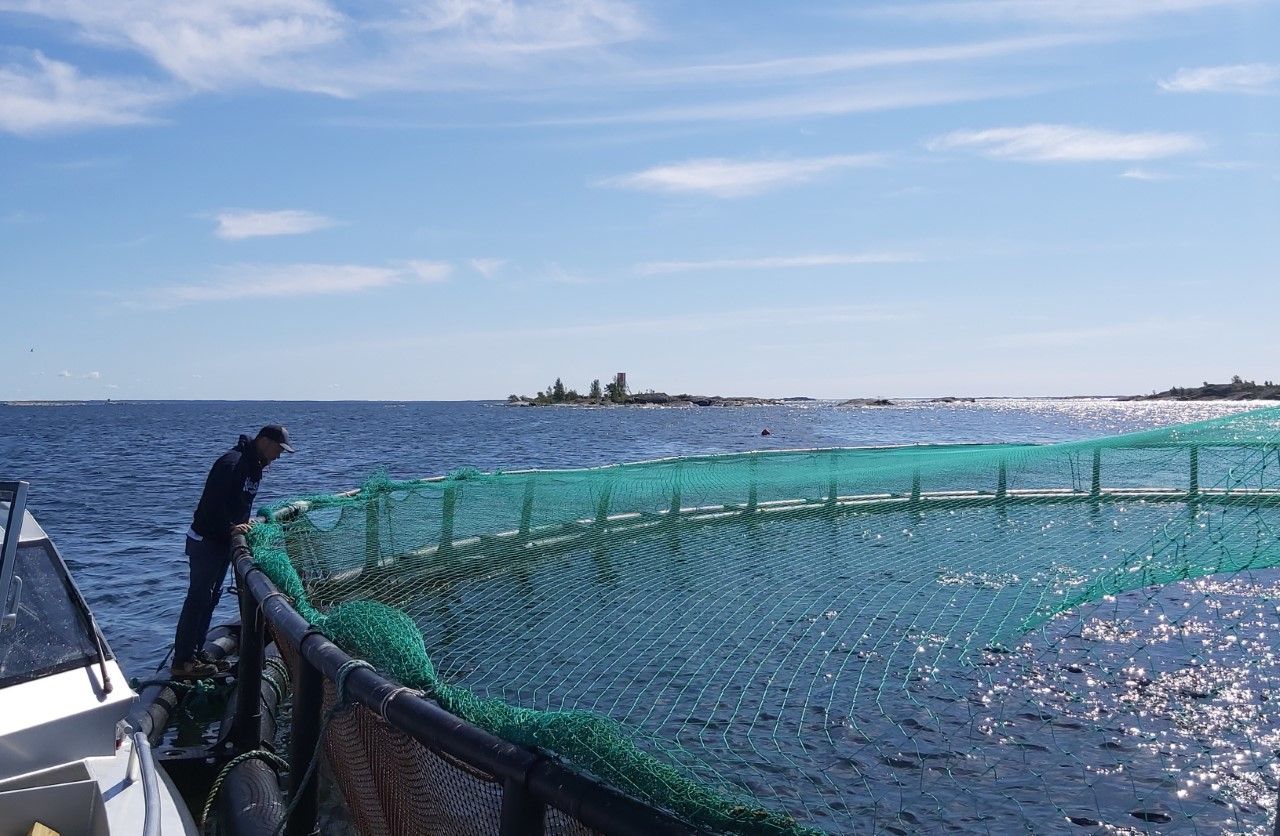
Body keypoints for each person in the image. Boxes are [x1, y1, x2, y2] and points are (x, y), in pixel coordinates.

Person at [171, 425, 294, 678]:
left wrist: (240, 528)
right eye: (278, 449)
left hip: (223, 542)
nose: (279, 456)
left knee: (211, 597)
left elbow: (241, 504)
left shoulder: (255, 467)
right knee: (198, 599)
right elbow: (210, 506)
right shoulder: (232, 463)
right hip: (206, 540)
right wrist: (230, 527)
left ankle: (196, 652)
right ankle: (182, 660)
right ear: (263, 441)